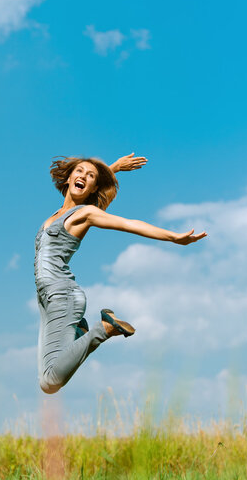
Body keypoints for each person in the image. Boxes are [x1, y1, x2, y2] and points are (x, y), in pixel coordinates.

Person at [34, 153, 207, 394]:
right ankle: (80, 333)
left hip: (62, 295)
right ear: (69, 177)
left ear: (93, 188)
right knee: (46, 378)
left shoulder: (85, 214)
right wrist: (112, 168)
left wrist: (174, 237)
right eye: (80, 171)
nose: (83, 176)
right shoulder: (57, 214)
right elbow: (94, 183)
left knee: (50, 382)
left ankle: (101, 329)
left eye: (91, 176)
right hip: (46, 298)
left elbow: (130, 223)